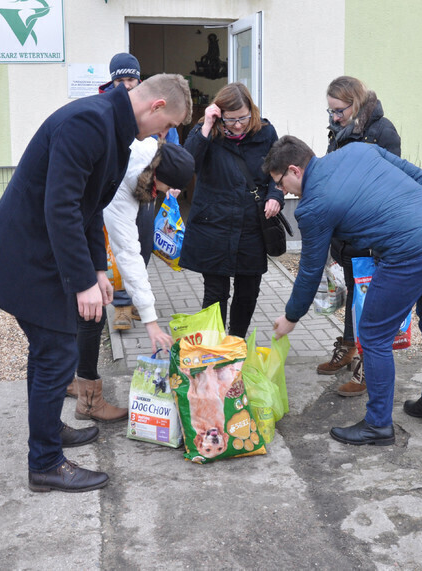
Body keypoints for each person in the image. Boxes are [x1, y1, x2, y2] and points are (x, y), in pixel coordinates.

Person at [0, 74, 192, 493]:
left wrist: (98, 271)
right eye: (164, 128)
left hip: (43, 253)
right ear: (156, 106)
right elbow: (61, 205)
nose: (160, 137)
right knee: (57, 354)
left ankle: (49, 432)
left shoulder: (112, 129)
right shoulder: (90, 122)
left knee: (49, 352)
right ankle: (46, 463)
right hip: (26, 255)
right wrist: (82, 281)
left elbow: (90, 208)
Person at [265, 136, 422, 446]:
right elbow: (418, 176)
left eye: (280, 182)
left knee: (372, 334)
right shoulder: (358, 150)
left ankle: (378, 424)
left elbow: (310, 269)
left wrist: (291, 316)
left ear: (295, 169)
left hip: (410, 251)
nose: (282, 190)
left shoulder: (313, 205)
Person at [66, 139, 195, 422]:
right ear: (157, 177)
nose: (160, 195)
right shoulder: (125, 179)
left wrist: (100, 273)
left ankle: (66, 380)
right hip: (58, 231)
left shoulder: (141, 155)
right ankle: (87, 401)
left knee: (73, 312)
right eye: (163, 190)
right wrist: (150, 321)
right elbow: (128, 251)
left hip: (78, 227)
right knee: (91, 313)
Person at [317, 76, 402, 400]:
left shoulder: (382, 132)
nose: (334, 117)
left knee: (369, 298)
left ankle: (369, 364)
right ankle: (349, 347)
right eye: (330, 111)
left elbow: (391, 184)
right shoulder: (338, 131)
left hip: (370, 232)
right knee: (353, 293)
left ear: (356, 103)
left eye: (338, 110)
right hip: (345, 231)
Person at [179, 82, 282, 338]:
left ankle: (235, 343)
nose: (237, 125)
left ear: (252, 112)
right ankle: (214, 348)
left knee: (248, 290)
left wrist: (275, 195)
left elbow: (277, 172)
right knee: (215, 292)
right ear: (219, 114)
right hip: (213, 224)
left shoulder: (266, 133)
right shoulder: (206, 133)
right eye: (231, 120)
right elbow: (185, 164)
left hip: (251, 226)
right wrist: (205, 126)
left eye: (243, 118)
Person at [99, 52, 180, 330]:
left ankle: (135, 297)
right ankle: (120, 306)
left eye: (130, 79)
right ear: (112, 82)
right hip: (114, 192)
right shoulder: (105, 109)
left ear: (139, 79)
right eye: (119, 80)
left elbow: (172, 145)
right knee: (119, 246)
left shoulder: (154, 108)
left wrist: (172, 180)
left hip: (146, 189)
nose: (126, 85)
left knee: (143, 244)